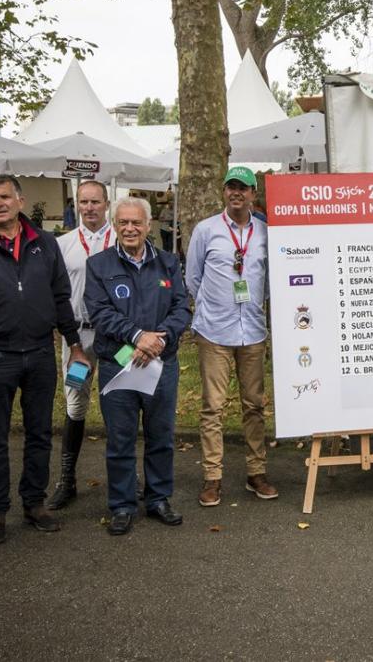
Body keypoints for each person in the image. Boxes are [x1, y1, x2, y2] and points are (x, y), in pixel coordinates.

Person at [0, 174, 89, 544]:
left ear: (20, 201)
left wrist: (75, 344)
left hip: (42, 352)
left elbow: (61, 296)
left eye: (4, 197)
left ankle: (34, 503)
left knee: (40, 433)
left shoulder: (44, 243)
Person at [84, 197, 191, 535]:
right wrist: (136, 336)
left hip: (162, 362)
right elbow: (99, 311)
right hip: (119, 362)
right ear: (114, 225)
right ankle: (122, 504)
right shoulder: (98, 265)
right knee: (120, 437)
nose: (130, 229)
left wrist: (157, 341)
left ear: (148, 226)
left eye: (136, 223)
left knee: (161, 436)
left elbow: (182, 308)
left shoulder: (169, 262)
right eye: (123, 223)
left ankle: (158, 498)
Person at [186, 166, 274, 507]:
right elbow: (193, 278)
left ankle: (257, 472)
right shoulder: (206, 230)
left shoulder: (266, 231)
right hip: (215, 331)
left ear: (253, 194)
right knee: (213, 407)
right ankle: (212, 478)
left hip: (252, 330)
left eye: (243, 187)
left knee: (254, 405)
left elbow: (268, 279)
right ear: (224, 192)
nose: (236, 192)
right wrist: (213, 307)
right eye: (231, 187)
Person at [47, 180, 114, 510]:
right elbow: (56, 294)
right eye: (84, 202)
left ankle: (125, 477)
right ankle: (67, 480)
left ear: (106, 203)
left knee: (122, 402)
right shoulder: (63, 244)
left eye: (95, 201)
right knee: (75, 404)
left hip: (117, 338)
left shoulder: (121, 238)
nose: (89, 207)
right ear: (78, 204)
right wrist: (65, 335)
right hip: (77, 339)